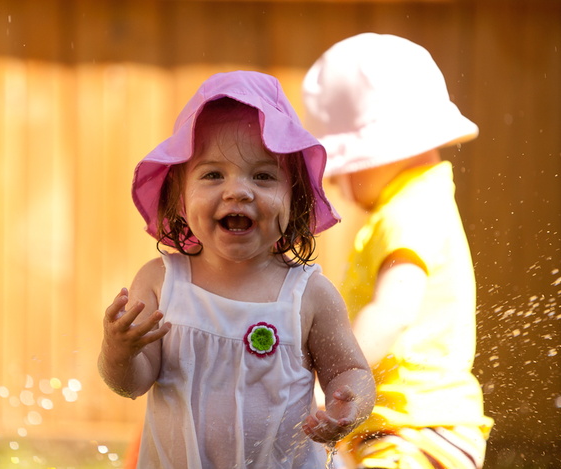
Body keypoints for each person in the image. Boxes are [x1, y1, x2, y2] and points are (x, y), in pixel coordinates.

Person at [98, 70, 376, 468]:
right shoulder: (160, 284)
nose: (238, 191)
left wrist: (349, 401)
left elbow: (350, 369)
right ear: (179, 194)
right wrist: (119, 352)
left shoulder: (308, 295)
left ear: (294, 197)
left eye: (263, 176)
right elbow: (132, 383)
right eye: (212, 174)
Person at [301, 33, 494, 469]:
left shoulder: (410, 210)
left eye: (342, 166)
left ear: (379, 151)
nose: (334, 182)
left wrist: (332, 379)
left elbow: (394, 310)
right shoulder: (418, 203)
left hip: (415, 426)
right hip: (405, 427)